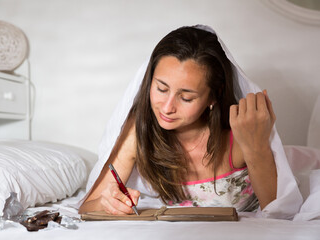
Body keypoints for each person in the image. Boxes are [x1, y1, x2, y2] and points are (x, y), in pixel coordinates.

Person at [79, 25, 302, 219]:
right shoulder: (139, 131)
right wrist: (107, 202)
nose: (167, 107)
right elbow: (87, 207)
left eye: (186, 97)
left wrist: (256, 145)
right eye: (161, 88)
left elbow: (278, 211)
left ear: (213, 96)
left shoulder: (238, 134)